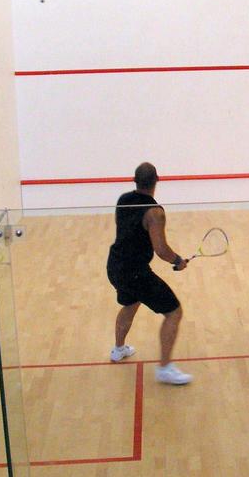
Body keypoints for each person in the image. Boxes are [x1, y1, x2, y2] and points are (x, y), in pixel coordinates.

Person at [106, 162, 193, 385]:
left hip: (115, 265)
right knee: (174, 312)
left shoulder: (123, 200)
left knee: (131, 302)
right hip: (135, 272)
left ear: (135, 180)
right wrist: (178, 261)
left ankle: (118, 349)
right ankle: (165, 369)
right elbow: (161, 249)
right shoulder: (155, 212)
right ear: (157, 180)